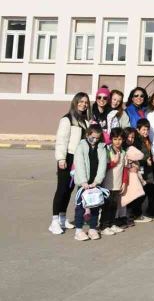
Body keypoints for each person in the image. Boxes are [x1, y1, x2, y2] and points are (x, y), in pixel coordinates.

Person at [50, 92, 90, 235]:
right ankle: (54, 221)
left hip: (78, 160)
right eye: (81, 101)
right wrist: (61, 158)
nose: (83, 104)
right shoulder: (67, 119)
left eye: (86, 102)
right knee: (61, 189)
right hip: (67, 158)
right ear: (75, 102)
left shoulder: (85, 121)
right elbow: (61, 140)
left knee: (69, 189)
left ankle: (62, 218)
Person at [72, 124, 107, 241]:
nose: (95, 140)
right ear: (87, 135)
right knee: (80, 207)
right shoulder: (81, 146)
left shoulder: (102, 147)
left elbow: (102, 165)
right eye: (93, 137)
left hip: (95, 183)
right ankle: (78, 230)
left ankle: (92, 228)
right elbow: (79, 164)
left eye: (97, 138)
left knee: (96, 206)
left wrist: (97, 181)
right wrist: (83, 182)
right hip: (84, 184)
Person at [99, 127, 126, 236]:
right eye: (115, 139)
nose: (117, 141)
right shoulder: (107, 150)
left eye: (120, 139)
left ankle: (111, 223)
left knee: (114, 205)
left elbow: (125, 168)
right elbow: (103, 167)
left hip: (117, 183)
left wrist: (124, 182)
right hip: (108, 184)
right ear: (111, 139)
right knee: (107, 205)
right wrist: (114, 162)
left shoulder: (123, 152)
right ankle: (104, 225)